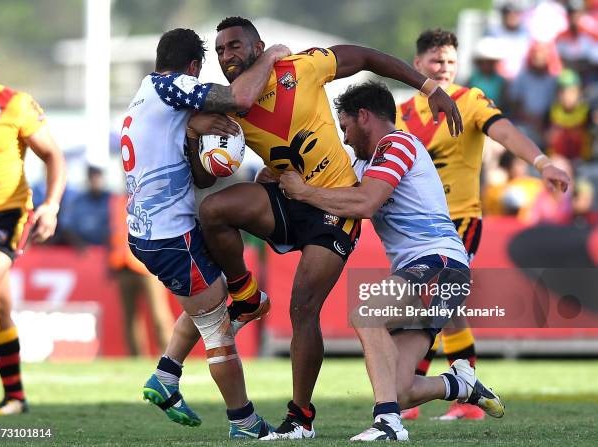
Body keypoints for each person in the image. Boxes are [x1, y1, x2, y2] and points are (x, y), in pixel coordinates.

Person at [183, 16, 463, 440]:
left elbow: (368, 56)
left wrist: (429, 88)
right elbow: (205, 179)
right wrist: (193, 140)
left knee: (303, 307)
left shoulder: (303, 68)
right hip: (293, 195)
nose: (227, 56)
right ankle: (244, 294)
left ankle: (302, 418)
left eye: (235, 46)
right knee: (214, 210)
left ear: (259, 46)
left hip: (335, 208)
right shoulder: (227, 107)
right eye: (220, 51)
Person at [278, 81, 504, 441]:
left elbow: (365, 203)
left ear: (364, 116)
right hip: (438, 270)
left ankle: (387, 423)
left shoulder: (397, 144)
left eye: (346, 127)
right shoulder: (368, 158)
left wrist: (304, 191)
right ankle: (460, 384)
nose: (346, 138)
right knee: (400, 390)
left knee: (366, 314)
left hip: (438, 262)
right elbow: (332, 189)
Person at [123, 28, 290, 438]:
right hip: (169, 237)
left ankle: (166, 375)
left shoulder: (146, 95)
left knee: (233, 304)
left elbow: (197, 175)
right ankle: (244, 422)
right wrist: (272, 58)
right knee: (217, 326)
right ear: (194, 68)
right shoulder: (172, 86)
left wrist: (196, 134)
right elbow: (240, 99)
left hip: (156, 231)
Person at [395, 29, 570, 420]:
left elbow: (504, 132)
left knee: (442, 297)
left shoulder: (469, 100)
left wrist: (542, 163)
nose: (445, 68)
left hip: (460, 220)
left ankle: (439, 393)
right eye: (438, 61)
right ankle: (428, 391)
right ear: (418, 64)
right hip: (414, 227)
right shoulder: (400, 112)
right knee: (437, 306)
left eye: (452, 62)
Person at [0, 36, 66, 415]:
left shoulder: (15, 104)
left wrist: (50, 206)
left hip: (7, 213)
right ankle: (15, 397)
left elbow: (53, 156)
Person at [108, 193, 173, 355]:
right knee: (130, 318)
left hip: (148, 264)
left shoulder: (152, 197)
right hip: (122, 264)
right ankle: (136, 360)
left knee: (159, 314)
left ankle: (171, 359)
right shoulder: (116, 200)